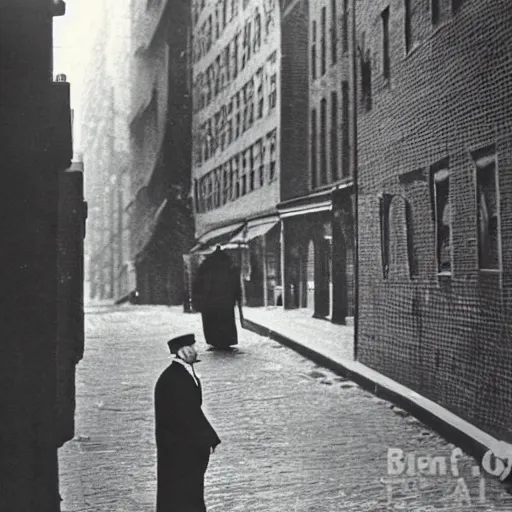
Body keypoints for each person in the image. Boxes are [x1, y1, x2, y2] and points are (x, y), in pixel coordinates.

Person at [154, 334, 221, 512]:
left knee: (186, 489)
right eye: (193, 347)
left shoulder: (181, 373)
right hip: (179, 447)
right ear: (184, 352)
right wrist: (207, 439)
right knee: (183, 489)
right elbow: (189, 414)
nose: (196, 351)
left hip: (180, 445)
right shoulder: (174, 378)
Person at [192, 246, 243, 349]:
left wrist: (198, 300)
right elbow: (235, 285)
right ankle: (226, 340)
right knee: (225, 322)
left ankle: (214, 341)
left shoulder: (205, 267)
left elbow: (197, 285)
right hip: (226, 302)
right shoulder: (229, 268)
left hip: (210, 302)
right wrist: (238, 299)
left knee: (212, 323)